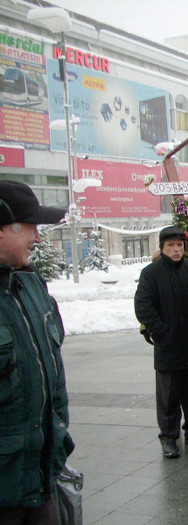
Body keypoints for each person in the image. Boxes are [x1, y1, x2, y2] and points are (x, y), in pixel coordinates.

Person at [0, 181, 74, 523]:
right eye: (31, 227)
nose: (39, 238)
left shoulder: (29, 284)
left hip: (41, 477)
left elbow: (52, 375)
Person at [134, 226, 188, 458]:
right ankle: (169, 437)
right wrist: (161, 334)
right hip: (168, 346)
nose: (176, 249)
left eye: (179, 245)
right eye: (171, 246)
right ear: (162, 248)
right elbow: (143, 306)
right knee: (169, 396)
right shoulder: (151, 273)